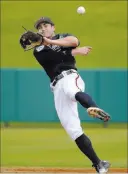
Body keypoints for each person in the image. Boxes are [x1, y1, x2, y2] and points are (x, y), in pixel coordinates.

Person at [20, 17, 111, 173]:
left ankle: (94, 108)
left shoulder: (62, 37)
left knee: (73, 92)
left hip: (69, 76)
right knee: (72, 128)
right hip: (56, 87)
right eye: (39, 27)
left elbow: (74, 41)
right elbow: (56, 56)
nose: (42, 28)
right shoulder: (38, 50)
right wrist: (45, 42)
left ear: (53, 27)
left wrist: (51, 42)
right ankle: (99, 164)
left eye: (45, 25)